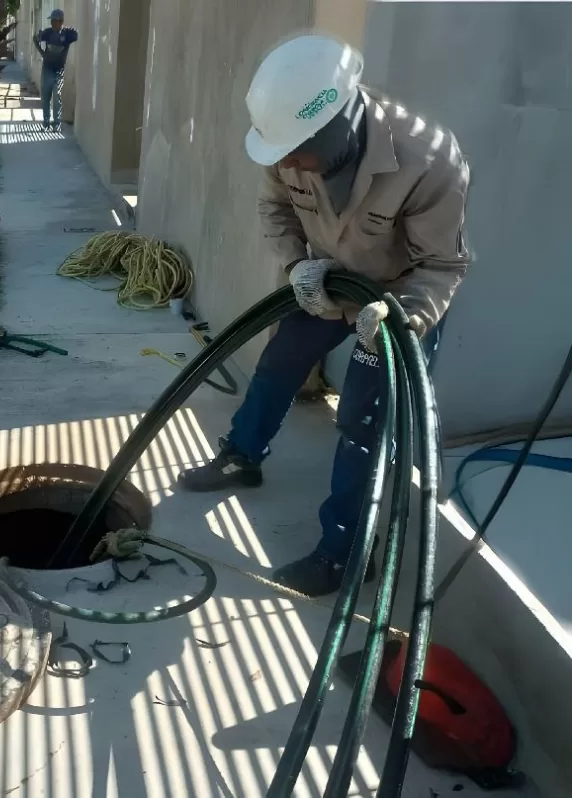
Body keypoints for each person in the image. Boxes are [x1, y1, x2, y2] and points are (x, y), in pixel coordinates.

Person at [177, 33, 471, 598]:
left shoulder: (428, 159)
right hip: (328, 283)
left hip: (396, 305)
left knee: (362, 423)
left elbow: (442, 265)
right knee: (277, 365)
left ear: (336, 127)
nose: (285, 161)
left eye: (295, 150)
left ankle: (344, 553)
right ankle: (243, 456)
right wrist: (296, 268)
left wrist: (403, 318)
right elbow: (276, 206)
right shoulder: (290, 146)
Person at [32, 9, 78, 131]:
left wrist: (73, 30)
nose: (52, 23)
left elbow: (76, 35)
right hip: (47, 69)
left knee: (57, 97)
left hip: (59, 71)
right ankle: (46, 123)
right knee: (46, 97)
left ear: (61, 21)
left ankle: (56, 124)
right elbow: (35, 38)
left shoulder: (67, 34)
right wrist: (42, 53)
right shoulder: (47, 33)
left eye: (54, 21)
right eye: (51, 21)